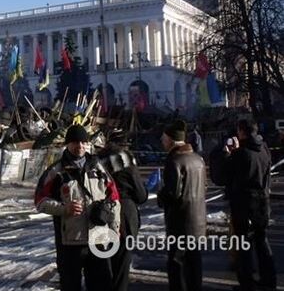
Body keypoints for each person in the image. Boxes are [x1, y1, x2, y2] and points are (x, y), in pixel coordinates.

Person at [35, 124, 121, 291]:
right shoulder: (56, 172)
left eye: (83, 142)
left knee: (102, 285)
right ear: (67, 144)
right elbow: (39, 201)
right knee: (70, 285)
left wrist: (115, 227)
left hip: (98, 240)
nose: (80, 146)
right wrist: (64, 208)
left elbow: (114, 198)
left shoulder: (98, 168)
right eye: (75, 142)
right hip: (70, 243)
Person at [209, 119, 275, 291]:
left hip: (244, 204)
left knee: (243, 244)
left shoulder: (241, 154)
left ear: (241, 131)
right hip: (263, 202)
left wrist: (225, 153)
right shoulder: (264, 150)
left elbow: (221, 176)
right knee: (261, 241)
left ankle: (247, 282)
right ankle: (269, 279)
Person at [158, 120, 207, 291]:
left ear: (171, 140)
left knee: (176, 263)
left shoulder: (174, 161)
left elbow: (172, 193)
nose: (162, 142)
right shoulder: (197, 159)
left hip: (180, 222)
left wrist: (160, 195)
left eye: (164, 139)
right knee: (194, 262)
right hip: (198, 220)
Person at [98, 134, 148, 291]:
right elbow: (141, 195)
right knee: (121, 265)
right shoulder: (125, 159)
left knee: (102, 262)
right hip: (124, 214)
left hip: (100, 214)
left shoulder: (96, 161)